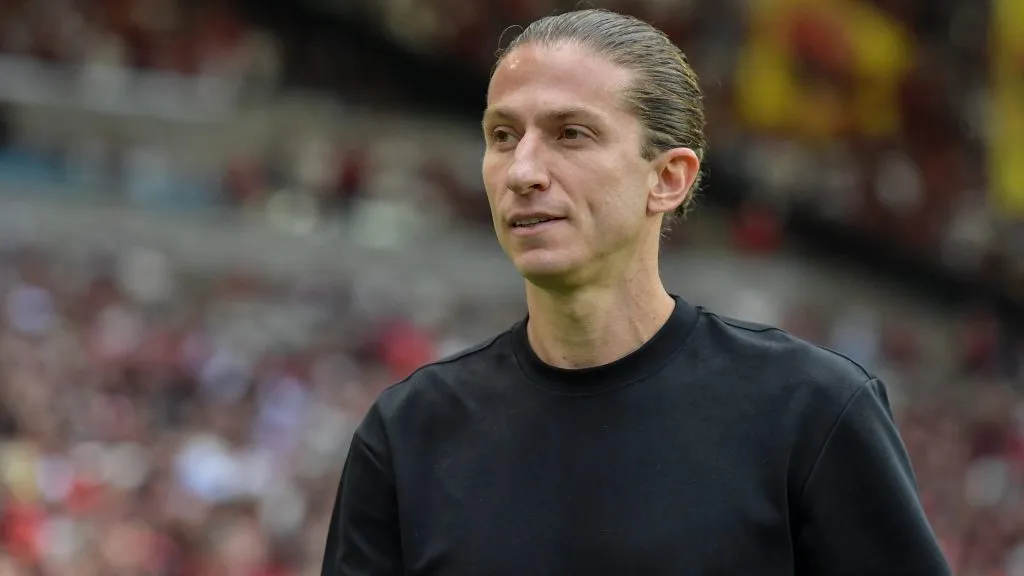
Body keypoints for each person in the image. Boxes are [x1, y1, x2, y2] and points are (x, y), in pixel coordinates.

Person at [322, 9, 952, 576]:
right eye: (503, 135)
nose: (523, 171)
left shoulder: (812, 412)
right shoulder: (408, 435)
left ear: (669, 179)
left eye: (571, 133)